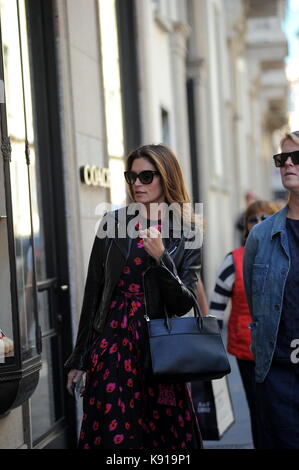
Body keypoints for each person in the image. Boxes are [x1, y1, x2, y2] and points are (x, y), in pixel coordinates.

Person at [65, 144, 203, 449]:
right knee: (116, 440)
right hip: (113, 347)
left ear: (166, 177)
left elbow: (183, 304)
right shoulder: (113, 224)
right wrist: (80, 357)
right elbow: (94, 292)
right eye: (131, 176)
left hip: (161, 350)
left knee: (163, 441)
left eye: (146, 176)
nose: (136, 184)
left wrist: (162, 259)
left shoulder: (187, 230)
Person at [243, 130, 299, 449]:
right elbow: (258, 305)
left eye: (297, 157)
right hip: (278, 374)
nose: (288, 164)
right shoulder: (261, 236)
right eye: (282, 158)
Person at [209, 200, 278, 449]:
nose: (259, 223)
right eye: (253, 219)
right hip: (246, 348)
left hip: (281, 347)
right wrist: (212, 346)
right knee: (258, 408)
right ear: (246, 227)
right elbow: (216, 306)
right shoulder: (234, 260)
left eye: (265, 218)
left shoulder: (288, 253)